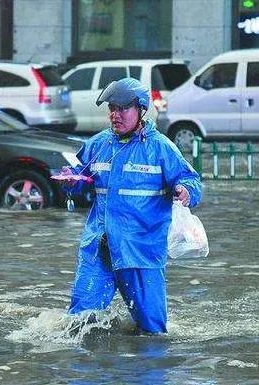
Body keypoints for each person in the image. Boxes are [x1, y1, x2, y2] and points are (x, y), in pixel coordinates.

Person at [63, 77, 202, 334]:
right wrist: (71, 180)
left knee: (152, 333)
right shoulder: (98, 144)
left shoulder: (161, 148)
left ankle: (144, 372)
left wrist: (186, 191)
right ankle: (85, 371)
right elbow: (79, 174)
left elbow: (190, 180)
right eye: (111, 108)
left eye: (122, 108)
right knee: (79, 324)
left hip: (141, 253)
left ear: (140, 110)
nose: (115, 115)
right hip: (99, 248)